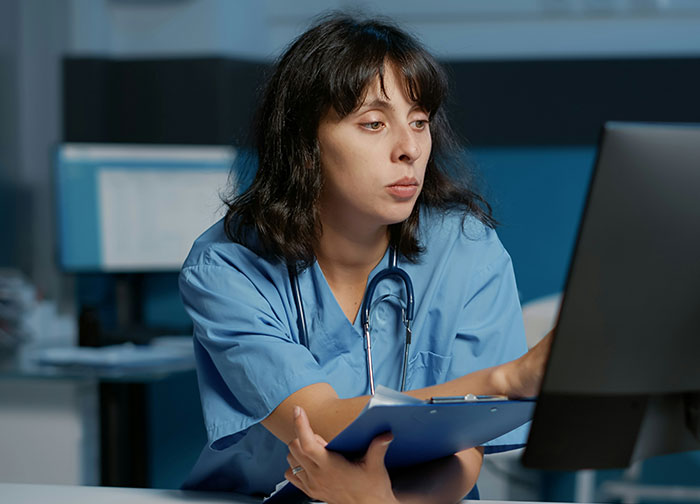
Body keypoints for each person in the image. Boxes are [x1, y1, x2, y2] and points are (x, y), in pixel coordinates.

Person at [179, 13, 551, 503]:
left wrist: (381, 503)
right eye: (374, 123)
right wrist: (504, 380)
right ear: (305, 145)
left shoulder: (466, 250)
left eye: (419, 122)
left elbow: (464, 450)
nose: (410, 148)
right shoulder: (225, 267)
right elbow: (314, 423)